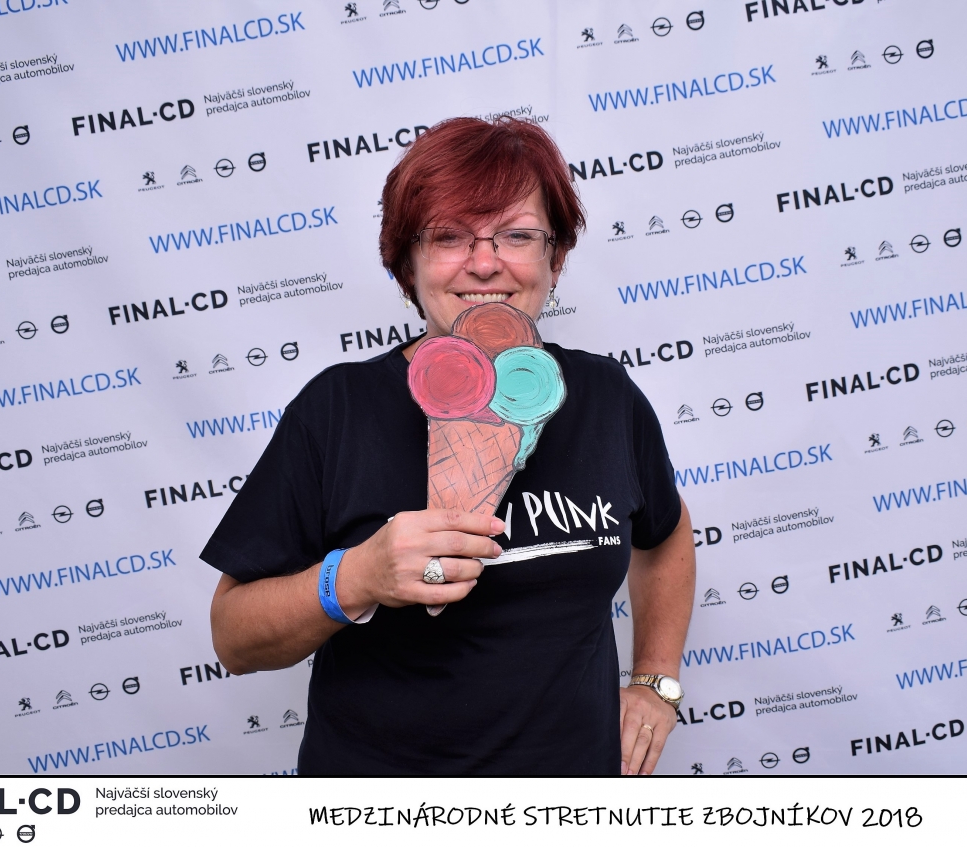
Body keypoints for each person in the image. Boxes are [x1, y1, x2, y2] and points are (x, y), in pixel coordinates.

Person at [204, 116, 695, 776]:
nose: (485, 262)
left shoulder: (606, 396)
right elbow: (234, 639)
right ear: (407, 263)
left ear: (555, 258)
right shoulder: (338, 408)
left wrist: (655, 682)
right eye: (449, 236)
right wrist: (357, 576)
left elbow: (665, 532)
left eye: (517, 235)